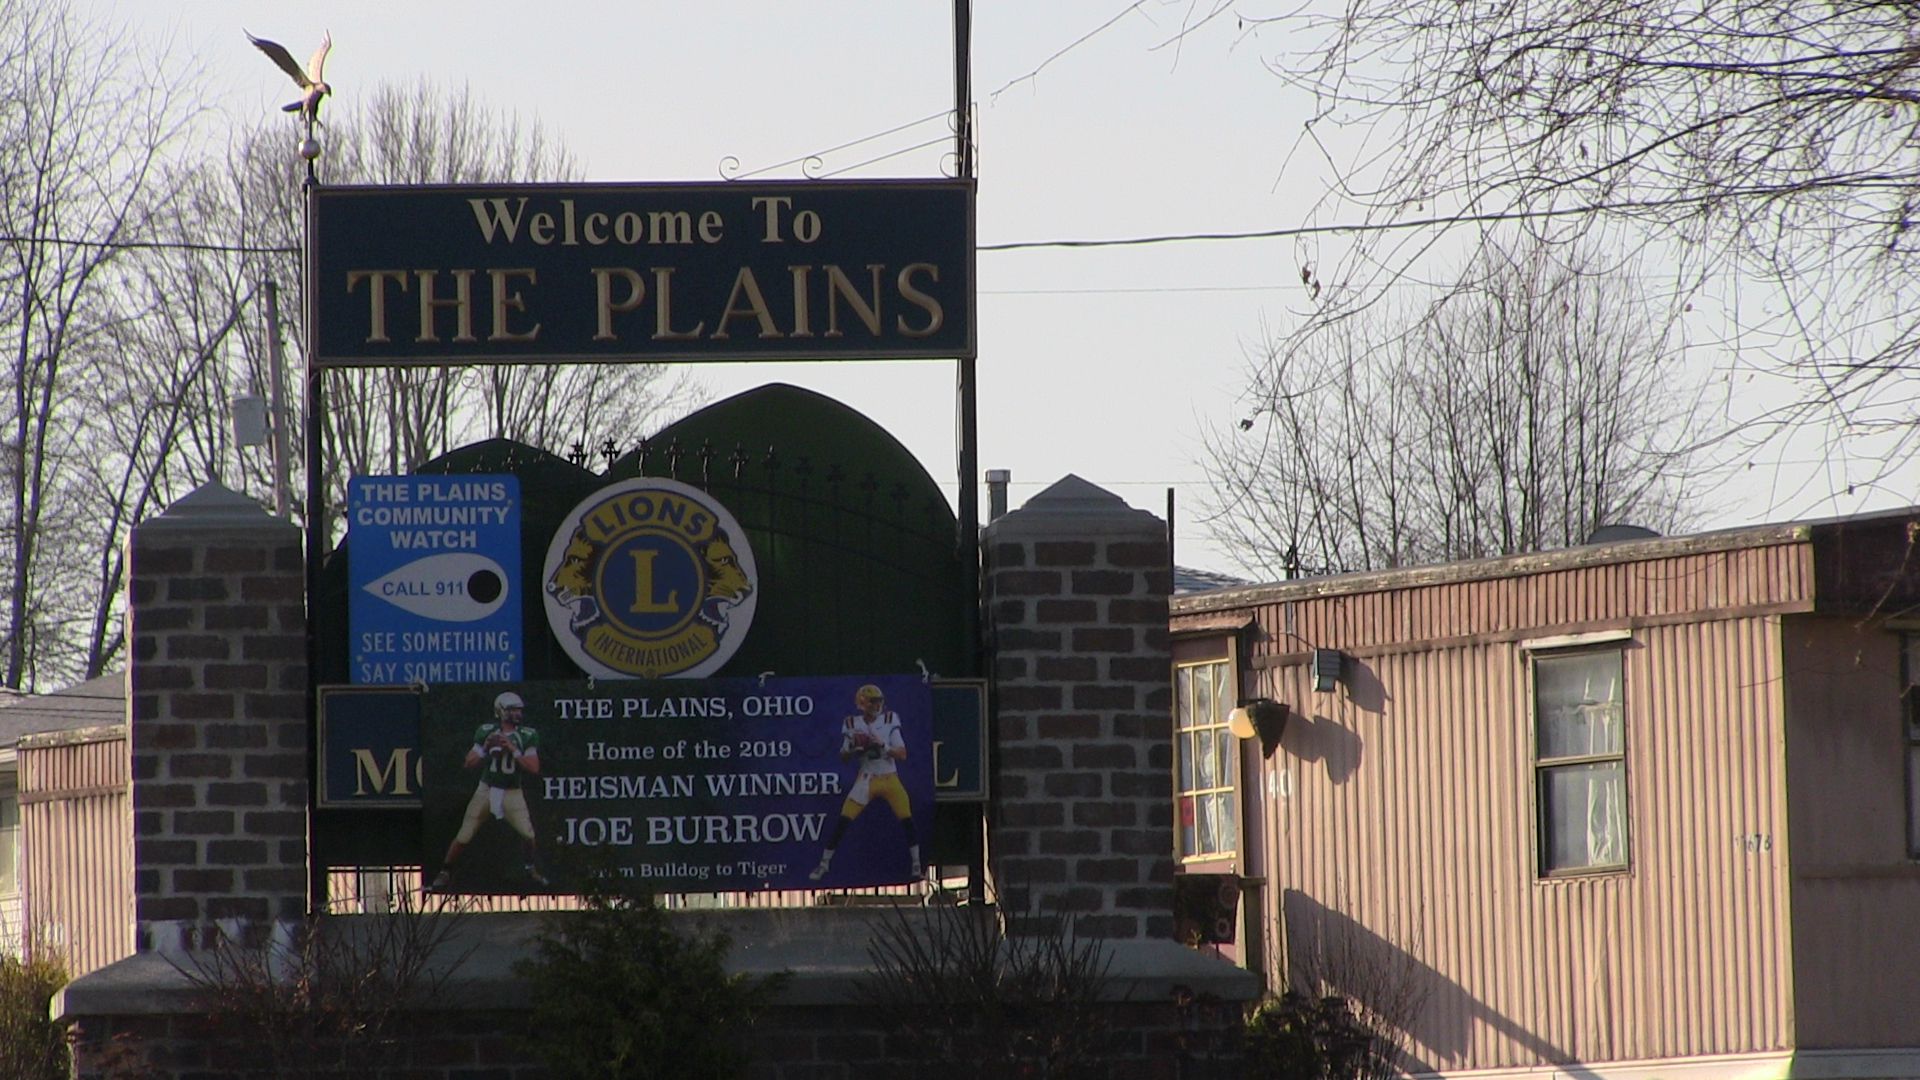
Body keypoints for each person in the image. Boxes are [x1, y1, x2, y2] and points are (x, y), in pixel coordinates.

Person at [429, 690, 545, 890]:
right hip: (486, 789)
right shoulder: (486, 731)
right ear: (501, 711)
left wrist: (512, 749)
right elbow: (469, 763)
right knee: (464, 834)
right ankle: (445, 871)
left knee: (529, 835)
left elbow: (534, 768)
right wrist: (484, 748)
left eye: (519, 710)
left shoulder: (527, 735)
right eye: (513, 710)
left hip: (512, 792)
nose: (518, 713)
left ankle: (529, 867)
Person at [809, 684, 919, 881]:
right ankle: (824, 864)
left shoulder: (889, 720)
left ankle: (917, 864)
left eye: (879, 701)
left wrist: (882, 745)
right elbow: (843, 756)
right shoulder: (852, 724)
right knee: (843, 820)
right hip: (866, 778)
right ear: (862, 703)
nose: (877, 705)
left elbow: (902, 753)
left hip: (889, 777)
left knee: (906, 818)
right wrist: (855, 749)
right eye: (873, 701)